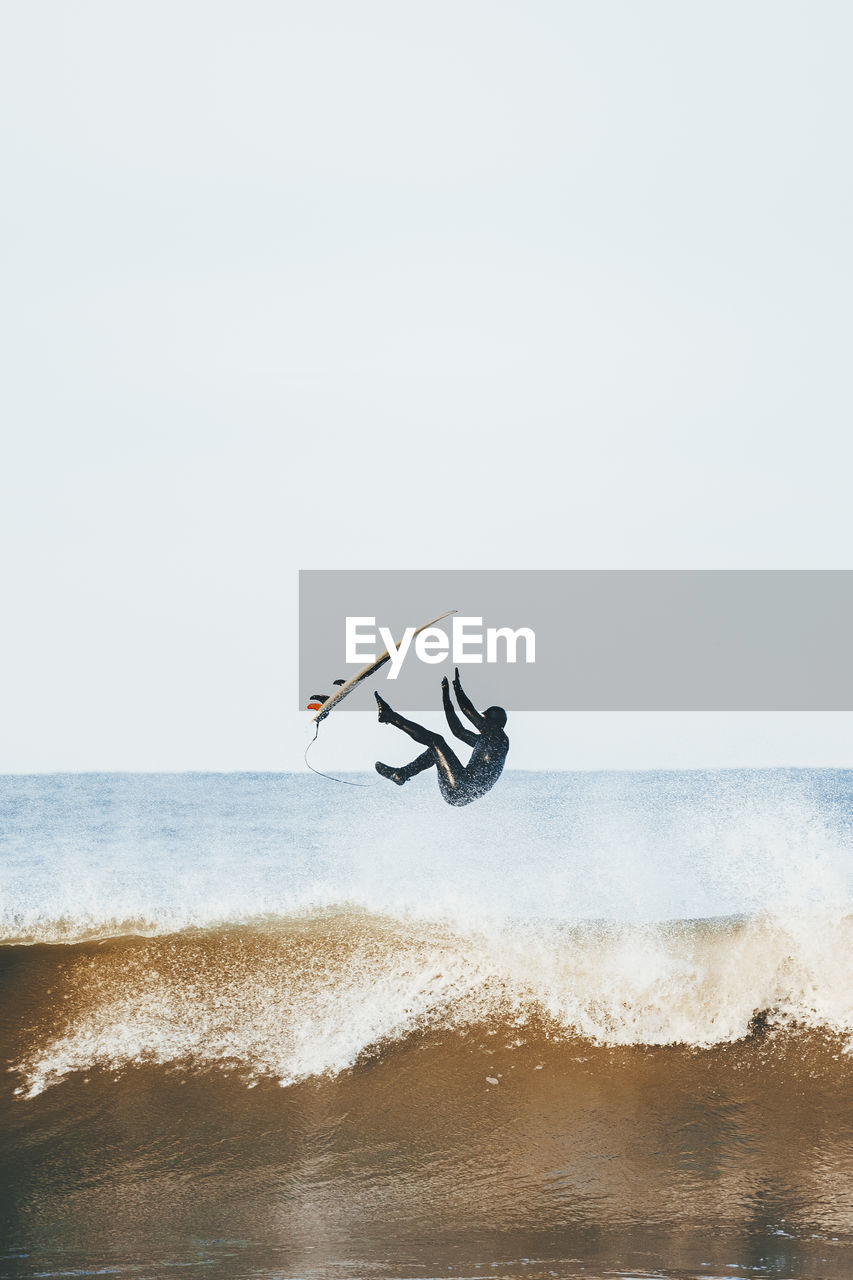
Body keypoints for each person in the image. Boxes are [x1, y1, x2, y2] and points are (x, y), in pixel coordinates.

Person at [374, 667, 509, 806]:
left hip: (460, 787)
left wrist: (458, 688)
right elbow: (458, 731)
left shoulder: (496, 734)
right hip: (459, 793)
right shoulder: (492, 743)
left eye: (484, 718)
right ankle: (401, 774)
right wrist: (446, 697)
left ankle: (389, 716)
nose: (481, 720)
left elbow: (467, 710)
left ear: (492, 721)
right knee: (435, 751)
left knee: (436, 741)